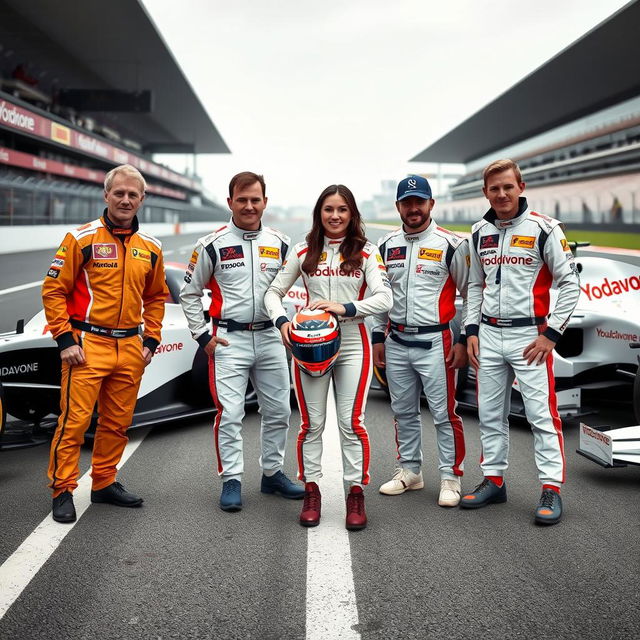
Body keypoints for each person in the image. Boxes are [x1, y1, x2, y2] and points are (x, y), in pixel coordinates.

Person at [43, 164, 168, 523]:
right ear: (106, 195)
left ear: (142, 199)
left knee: (117, 423)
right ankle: (63, 489)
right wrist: (64, 339)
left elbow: (157, 296)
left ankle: (104, 482)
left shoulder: (151, 247)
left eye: (133, 194)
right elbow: (53, 290)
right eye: (119, 193)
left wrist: (152, 339)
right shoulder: (81, 238)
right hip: (86, 345)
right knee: (75, 422)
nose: (126, 199)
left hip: (130, 347)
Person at [264, 184, 392, 530]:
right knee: (311, 424)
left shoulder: (366, 251)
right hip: (309, 345)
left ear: (352, 215)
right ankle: (312, 490)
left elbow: (384, 299)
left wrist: (345, 307)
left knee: (352, 423)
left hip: (353, 341)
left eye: (342, 210)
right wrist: (281, 322)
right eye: (328, 209)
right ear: (319, 214)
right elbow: (273, 293)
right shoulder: (303, 250)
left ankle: (355, 493)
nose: (335, 216)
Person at [461, 159, 580, 525]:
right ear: (485, 192)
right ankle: (494, 481)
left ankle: (551, 488)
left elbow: (571, 284)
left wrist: (551, 335)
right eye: (494, 188)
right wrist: (471, 332)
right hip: (489, 335)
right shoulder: (478, 232)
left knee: (542, 416)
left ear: (521, 186)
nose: (501, 194)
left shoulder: (546, 229)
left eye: (507, 187)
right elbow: (474, 286)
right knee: (490, 414)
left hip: (530, 336)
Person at [179, 171, 303, 512]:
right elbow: (189, 294)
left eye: (256, 200)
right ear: (230, 201)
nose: (249, 206)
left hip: (270, 338)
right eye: (242, 200)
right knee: (230, 413)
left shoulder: (279, 242)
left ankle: (272, 473)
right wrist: (203, 336)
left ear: (265, 202)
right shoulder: (211, 244)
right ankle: (231, 479)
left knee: (278, 411)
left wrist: (292, 325)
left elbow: (291, 289)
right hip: (228, 340)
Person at [373, 175, 469, 507]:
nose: (413, 208)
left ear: (431, 204)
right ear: (398, 206)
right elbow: (378, 297)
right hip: (396, 339)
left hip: (437, 340)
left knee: (444, 413)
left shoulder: (452, 244)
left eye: (419, 201)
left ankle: (451, 477)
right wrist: (377, 338)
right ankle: (410, 472)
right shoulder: (385, 246)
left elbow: (472, 294)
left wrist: (464, 337)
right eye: (407, 202)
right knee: (403, 412)